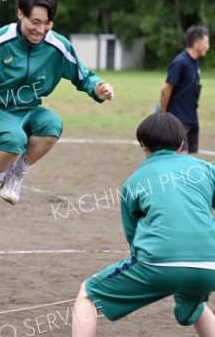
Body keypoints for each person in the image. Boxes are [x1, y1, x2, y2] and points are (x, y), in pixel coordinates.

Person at [0, 0, 114, 215]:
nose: (41, 30)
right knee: (15, 139)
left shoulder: (57, 46)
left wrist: (98, 90)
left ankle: (17, 173)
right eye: (35, 21)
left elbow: (84, 76)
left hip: (28, 108)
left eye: (47, 23)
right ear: (21, 14)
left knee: (52, 125)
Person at [72, 112, 215, 337]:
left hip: (158, 263)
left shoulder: (134, 181)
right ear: (181, 144)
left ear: (143, 146)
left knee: (88, 294)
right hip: (210, 266)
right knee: (192, 296)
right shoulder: (207, 169)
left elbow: (134, 237)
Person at [159, 26, 210, 154]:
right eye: (206, 43)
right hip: (178, 119)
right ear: (196, 44)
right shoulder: (180, 62)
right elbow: (166, 89)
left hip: (192, 118)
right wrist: (163, 114)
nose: (208, 47)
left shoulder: (194, 62)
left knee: (190, 162)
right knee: (181, 159)